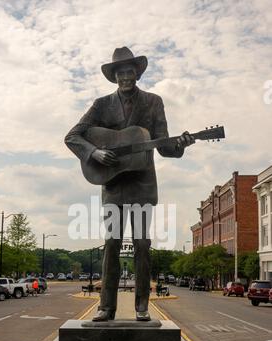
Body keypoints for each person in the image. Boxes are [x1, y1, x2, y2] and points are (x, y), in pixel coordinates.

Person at [65, 47, 195, 322]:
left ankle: (141, 307)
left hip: (142, 184)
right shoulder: (101, 105)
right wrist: (94, 153)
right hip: (112, 185)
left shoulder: (153, 102)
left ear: (137, 73)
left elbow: (164, 145)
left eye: (130, 71)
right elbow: (73, 136)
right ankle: (106, 308)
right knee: (111, 244)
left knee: (142, 244)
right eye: (120, 72)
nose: (126, 76)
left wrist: (180, 146)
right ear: (114, 76)